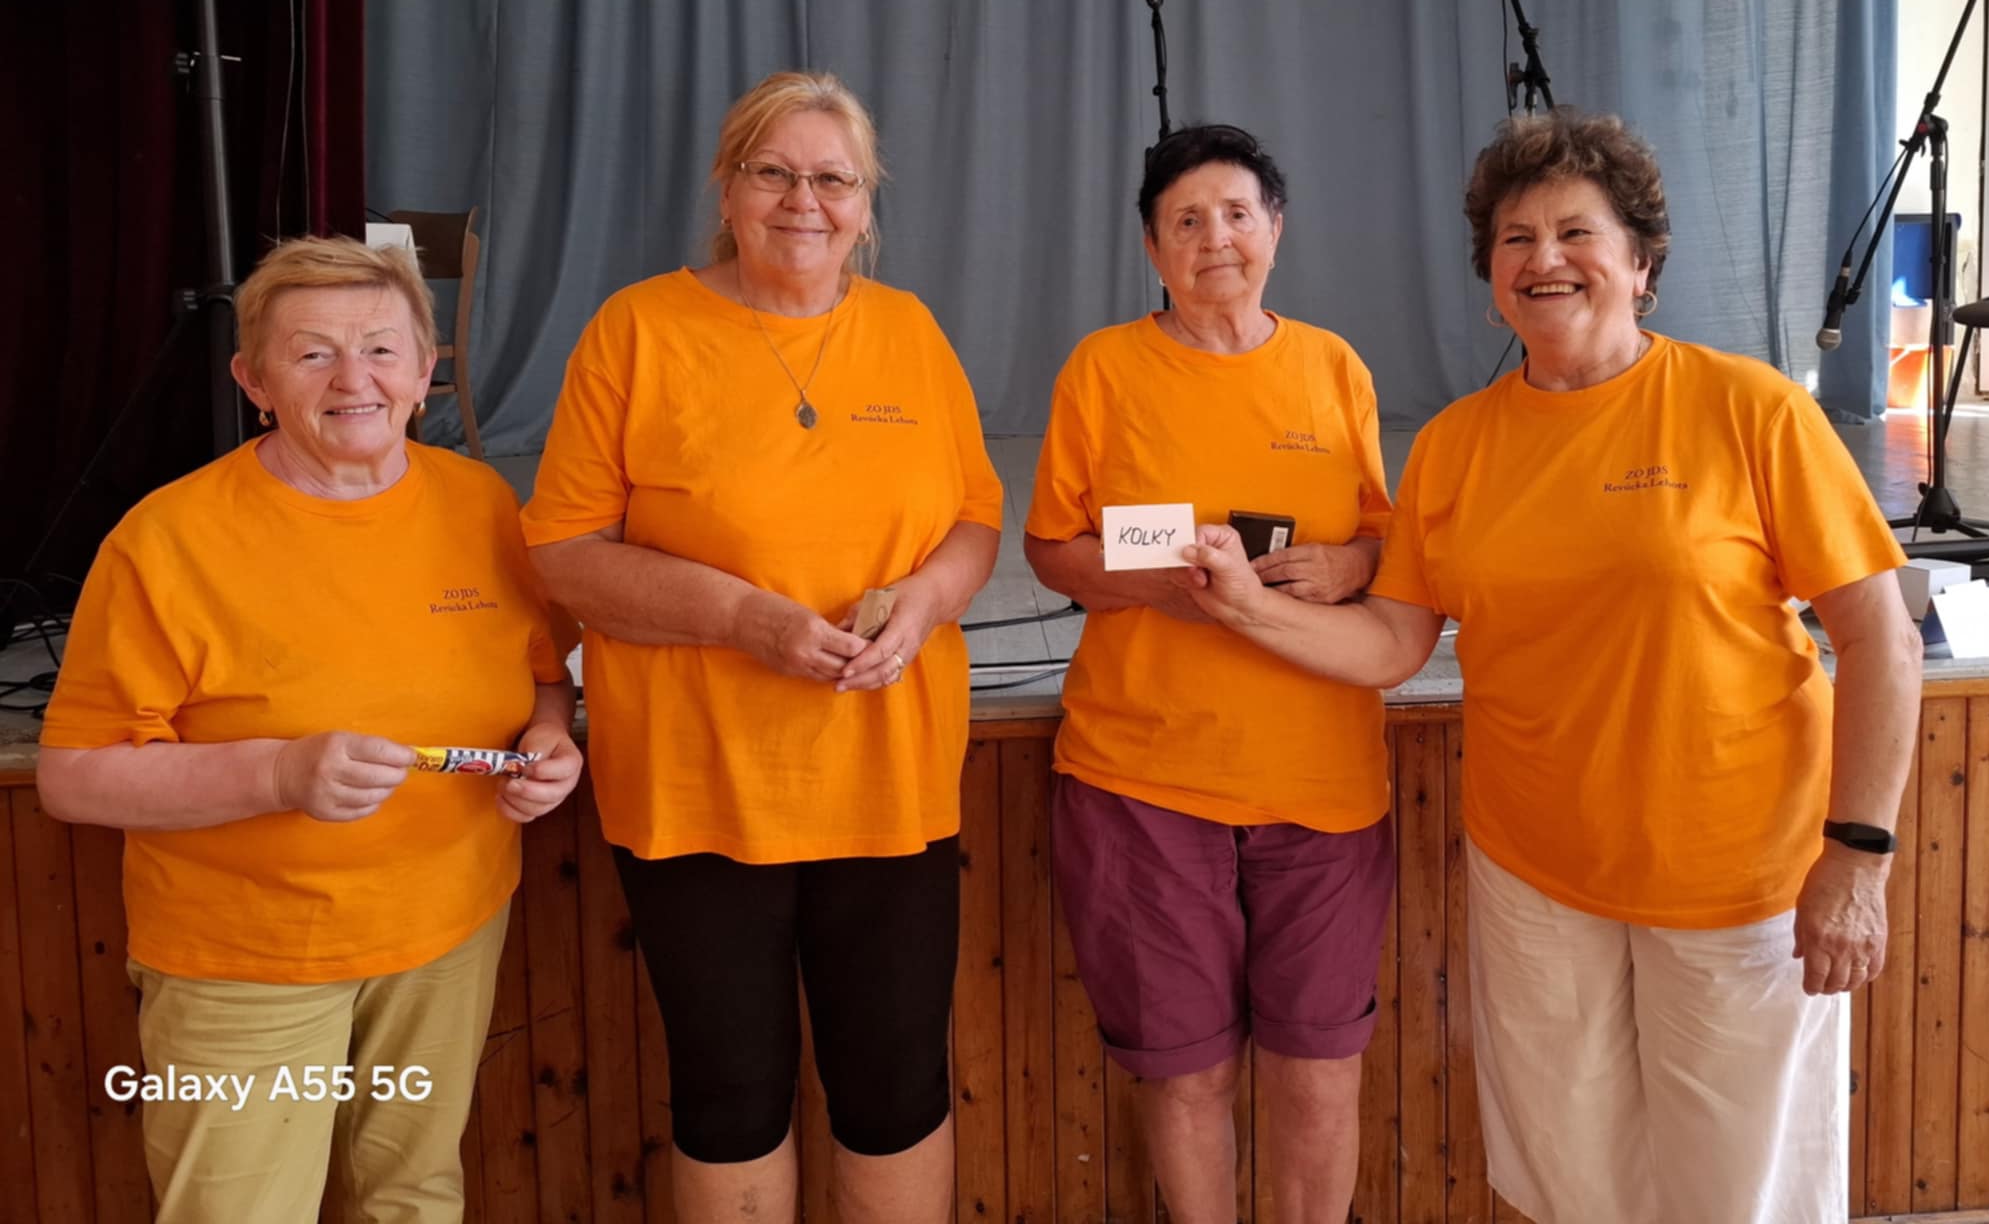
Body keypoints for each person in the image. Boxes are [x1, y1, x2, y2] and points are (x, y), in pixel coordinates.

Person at [1180, 109, 1922, 1224]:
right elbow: (1392, 642)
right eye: (1515, 239)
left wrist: (1857, 858)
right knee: (1572, 1192)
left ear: (1641, 263)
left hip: (1734, 885)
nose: (1544, 259)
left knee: (1737, 1200)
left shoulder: (1747, 409)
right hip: (1533, 885)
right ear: (1492, 278)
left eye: (1577, 232)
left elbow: (1881, 639)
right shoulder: (1455, 445)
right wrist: (1244, 606)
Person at [522, 70, 1001, 1224]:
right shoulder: (638, 330)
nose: (803, 201)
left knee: (894, 1089)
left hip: (886, 781)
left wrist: (925, 602)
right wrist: (748, 620)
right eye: (772, 172)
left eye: (832, 178)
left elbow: (974, 520)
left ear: (865, 203)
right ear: (726, 188)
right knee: (729, 1096)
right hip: (698, 785)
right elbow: (564, 553)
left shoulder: (907, 330)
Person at [36, 235, 582, 1223]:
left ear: (425, 371)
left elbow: (544, 676)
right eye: (313, 353)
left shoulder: (482, 505)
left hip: (448, 935)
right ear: (253, 381)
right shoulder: (167, 540)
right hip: (246, 964)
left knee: (413, 1199)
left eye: (380, 349)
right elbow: (73, 775)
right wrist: (280, 774)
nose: (353, 379)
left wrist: (550, 741)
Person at [1023, 123, 1396, 1224]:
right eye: (1184, 220)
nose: (1214, 238)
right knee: (1186, 1076)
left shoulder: (1332, 366)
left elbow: (1384, 540)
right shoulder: (1102, 369)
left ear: (1275, 229)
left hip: (1322, 786)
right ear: (1152, 248)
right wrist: (1164, 584)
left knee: (1318, 1074)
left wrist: (1348, 565)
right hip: (1143, 781)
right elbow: (1052, 548)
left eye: (1236, 213)